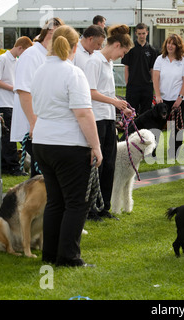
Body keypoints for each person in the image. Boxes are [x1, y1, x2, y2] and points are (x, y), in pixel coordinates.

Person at [32, 25, 102, 268]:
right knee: (76, 203)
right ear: (75, 46)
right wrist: (96, 146)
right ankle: (69, 257)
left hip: (43, 141)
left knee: (56, 202)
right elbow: (83, 113)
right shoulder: (73, 73)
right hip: (68, 144)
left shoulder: (40, 70)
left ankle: (50, 254)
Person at [84, 24, 134, 221]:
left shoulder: (108, 63)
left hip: (108, 117)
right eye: (123, 51)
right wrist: (115, 102)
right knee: (99, 164)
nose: (122, 56)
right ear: (116, 45)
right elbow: (91, 92)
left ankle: (104, 206)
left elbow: (107, 93)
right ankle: (92, 208)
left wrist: (121, 107)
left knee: (110, 163)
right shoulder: (94, 61)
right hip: (95, 117)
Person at [11, 17, 64, 177]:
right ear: (50, 32)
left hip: (47, 123)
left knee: (46, 175)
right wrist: (33, 123)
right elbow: (24, 91)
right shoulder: (32, 54)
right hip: (34, 125)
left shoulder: (51, 55)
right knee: (41, 176)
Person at [0, 36, 33, 176]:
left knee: (8, 136)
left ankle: (6, 165)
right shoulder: (2, 59)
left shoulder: (16, 61)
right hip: (2, 102)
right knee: (8, 137)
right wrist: (13, 88)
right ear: (20, 48)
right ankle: (12, 166)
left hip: (11, 102)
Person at [153, 33, 184, 155]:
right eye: (169, 43)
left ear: (178, 46)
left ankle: (175, 151)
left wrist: (180, 98)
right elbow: (155, 78)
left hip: (178, 99)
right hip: (163, 100)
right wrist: (158, 95)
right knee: (157, 126)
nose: (170, 46)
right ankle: (152, 150)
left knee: (177, 127)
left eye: (173, 44)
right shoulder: (160, 59)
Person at [122, 23, 158, 115]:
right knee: (131, 113)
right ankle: (130, 129)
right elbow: (126, 68)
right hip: (133, 86)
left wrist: (153, 85)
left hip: (147, 87)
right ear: (136, 34)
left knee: (146, 113)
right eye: (139, 34)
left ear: (147, 33)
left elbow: (152, 70)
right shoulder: (130, 49)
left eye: (143, 33)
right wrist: (128, 84)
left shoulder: (152, 50)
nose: (141, 36)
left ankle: (144, 130)